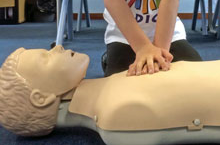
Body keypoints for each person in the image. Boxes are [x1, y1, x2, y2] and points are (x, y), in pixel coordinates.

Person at [1, 46, 220, 145]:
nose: (57, 47)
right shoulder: (115, 114)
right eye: (46, 57)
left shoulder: (109, 94)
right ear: (41, 99)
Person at [101, 0, 202, 77]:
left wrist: (160, 54)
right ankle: (109, 58)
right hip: (124, 36)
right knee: (120, 82)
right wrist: (143, 47)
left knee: (196, 76)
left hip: (168, 34)